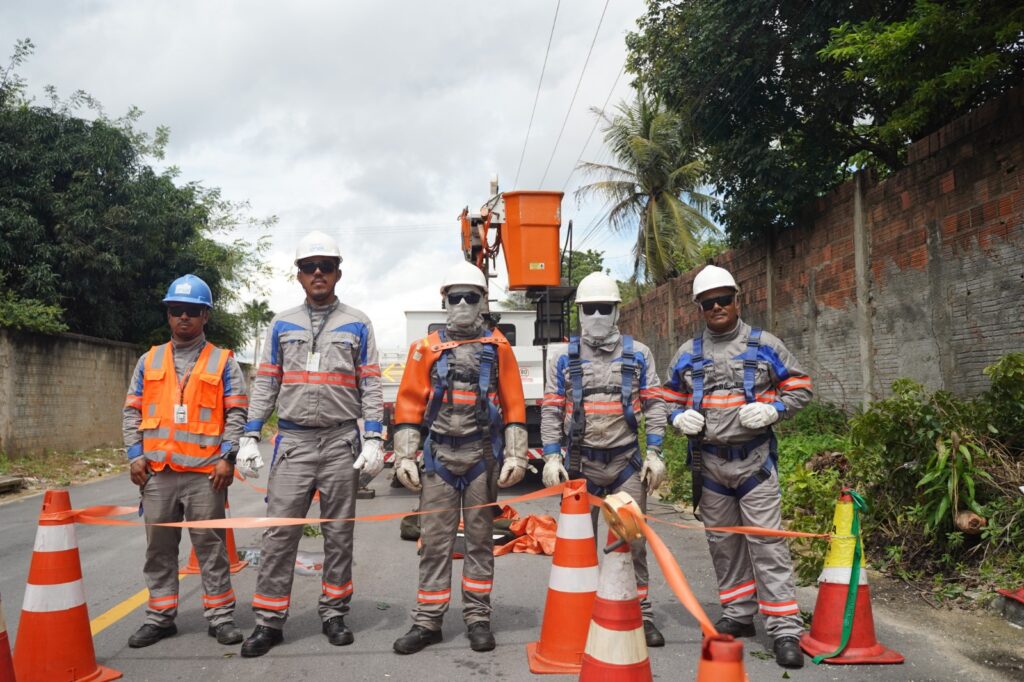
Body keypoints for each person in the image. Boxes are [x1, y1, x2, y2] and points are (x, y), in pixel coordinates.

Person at [237, 230, 385, 657]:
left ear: (339, 272)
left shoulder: (358, 322)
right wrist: (250, 434)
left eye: (325, 266)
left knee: (339, 534)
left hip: (341, 441)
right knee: (279, 535)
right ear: (298, 275)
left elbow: (370, 383)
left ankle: (334, 612)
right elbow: (266, 380)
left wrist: (373, 437)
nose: (317, 273)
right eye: (308, 266)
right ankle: (268, 621)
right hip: (295, 443)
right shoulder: (282, 323)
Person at [663, 264, 813, 669]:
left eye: (723, 300)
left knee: (768, 544)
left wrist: (773, 410)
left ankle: (784, 628)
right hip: (711, 468)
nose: (716, 307)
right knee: (724, 545)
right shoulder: (688, 354)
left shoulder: (765, 345)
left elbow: (800, 387)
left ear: (737, 299)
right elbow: (667, 398)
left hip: (754, 464)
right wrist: (676, 419)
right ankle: (739, 614)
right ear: (699, 307)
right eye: (708, 302)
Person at [391, 261, 528, 655]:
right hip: (438, 459)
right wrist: (403, 456)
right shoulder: (425, 348)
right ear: (445, 300)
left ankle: (478, 619)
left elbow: (514, 402)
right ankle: (428, 621)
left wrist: (516, 454)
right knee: (434, 543)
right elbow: (409, 404)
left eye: (472, 296)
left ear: (484, 300)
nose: (464, 303)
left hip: (481, 456)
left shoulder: (498, 347)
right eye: (457, 296)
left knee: (481, 542)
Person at [539, 271, 668, 647]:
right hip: (580, 464)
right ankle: (580, 612)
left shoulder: (638, 353)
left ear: (616, 312)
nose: (597, 315)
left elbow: (655, 402)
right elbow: (550, 408)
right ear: (579, 313)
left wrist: (656, 452)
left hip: (625, 462)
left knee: (632, 541)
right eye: (589, 309)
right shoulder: (563, 357)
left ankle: (639, 613)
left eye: (604, 308)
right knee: (576, 544)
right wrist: (550, 456)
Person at [122, 274, 248, 648]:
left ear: (205, 315)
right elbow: (131, 411)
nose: (184, 318)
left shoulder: (223, 361)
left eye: (192, 311)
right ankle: (160, 617)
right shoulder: (150, 359)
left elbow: (237, 414)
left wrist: (228, 457)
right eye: (176, 310)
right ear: (168, 314)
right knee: (159, 549)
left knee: (210, 548)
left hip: (206, 475)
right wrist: (134, 454)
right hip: (158, 473)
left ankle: (221, 616)